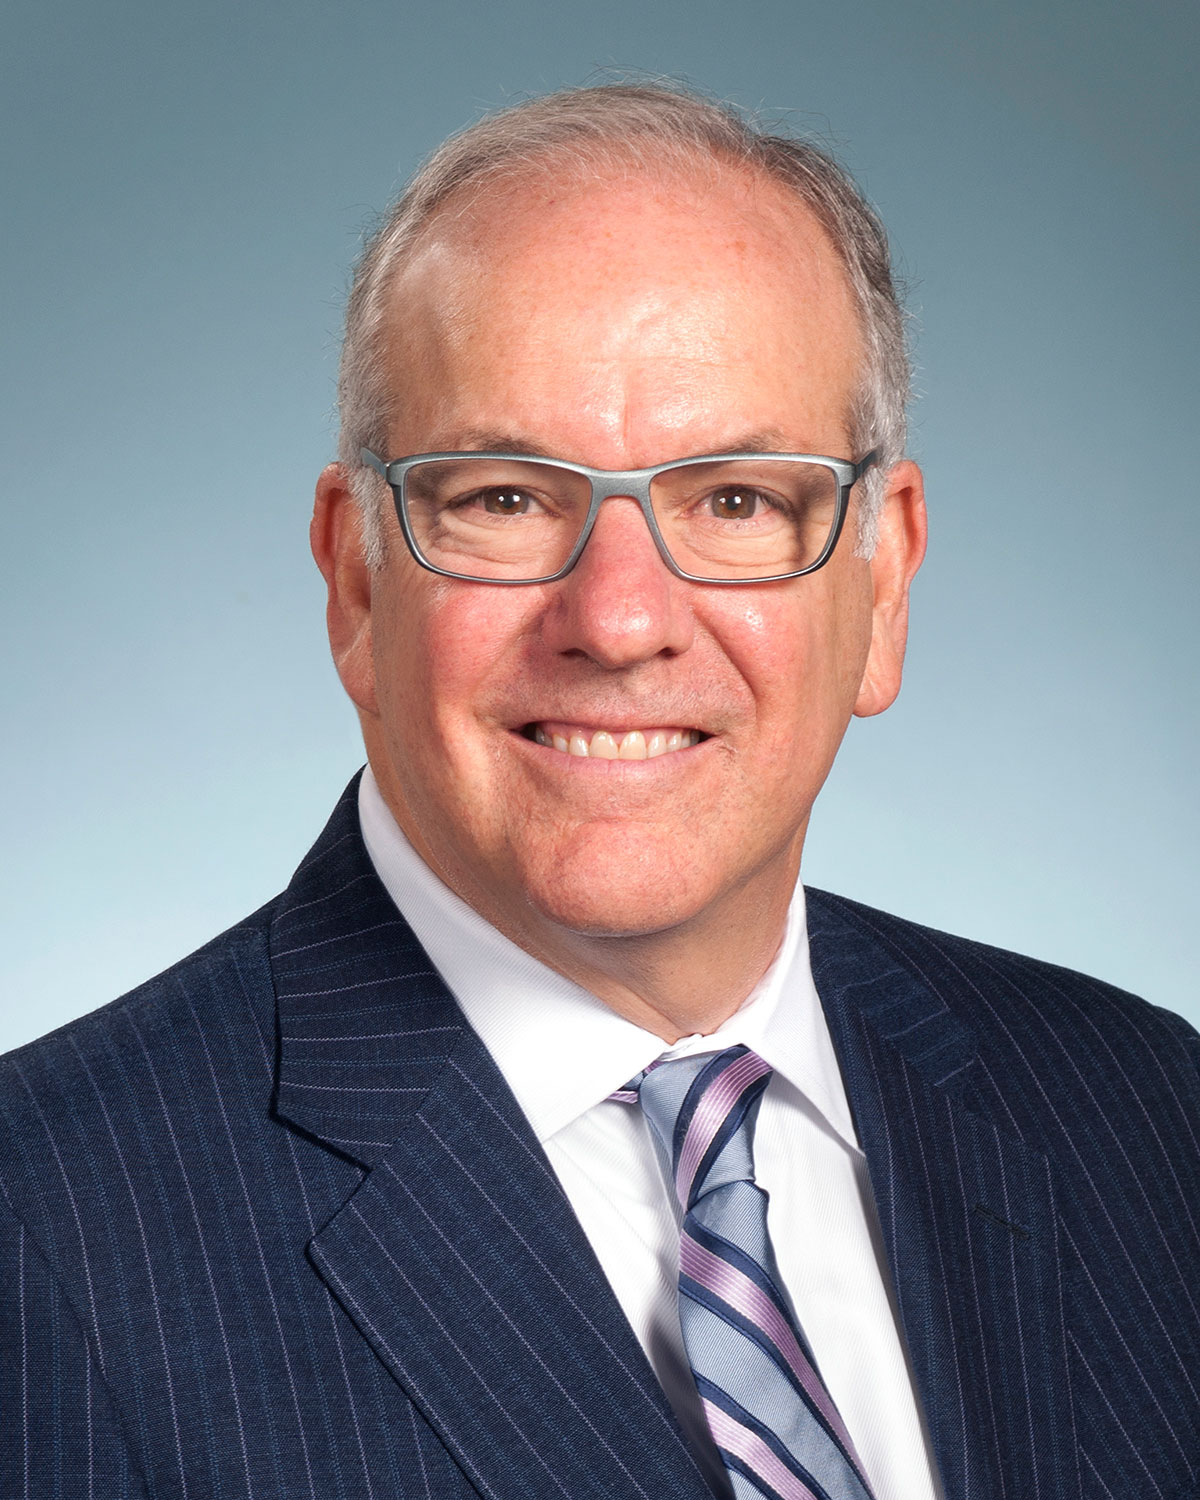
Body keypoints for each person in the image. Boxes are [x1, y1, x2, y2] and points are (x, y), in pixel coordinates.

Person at [1, 83, 1197, 1500]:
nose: (621, 619)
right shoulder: (44, 1238)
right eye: (505, 498)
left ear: (882, 589)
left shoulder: (1143, 1110)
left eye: (738, 501)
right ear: (355, 579)